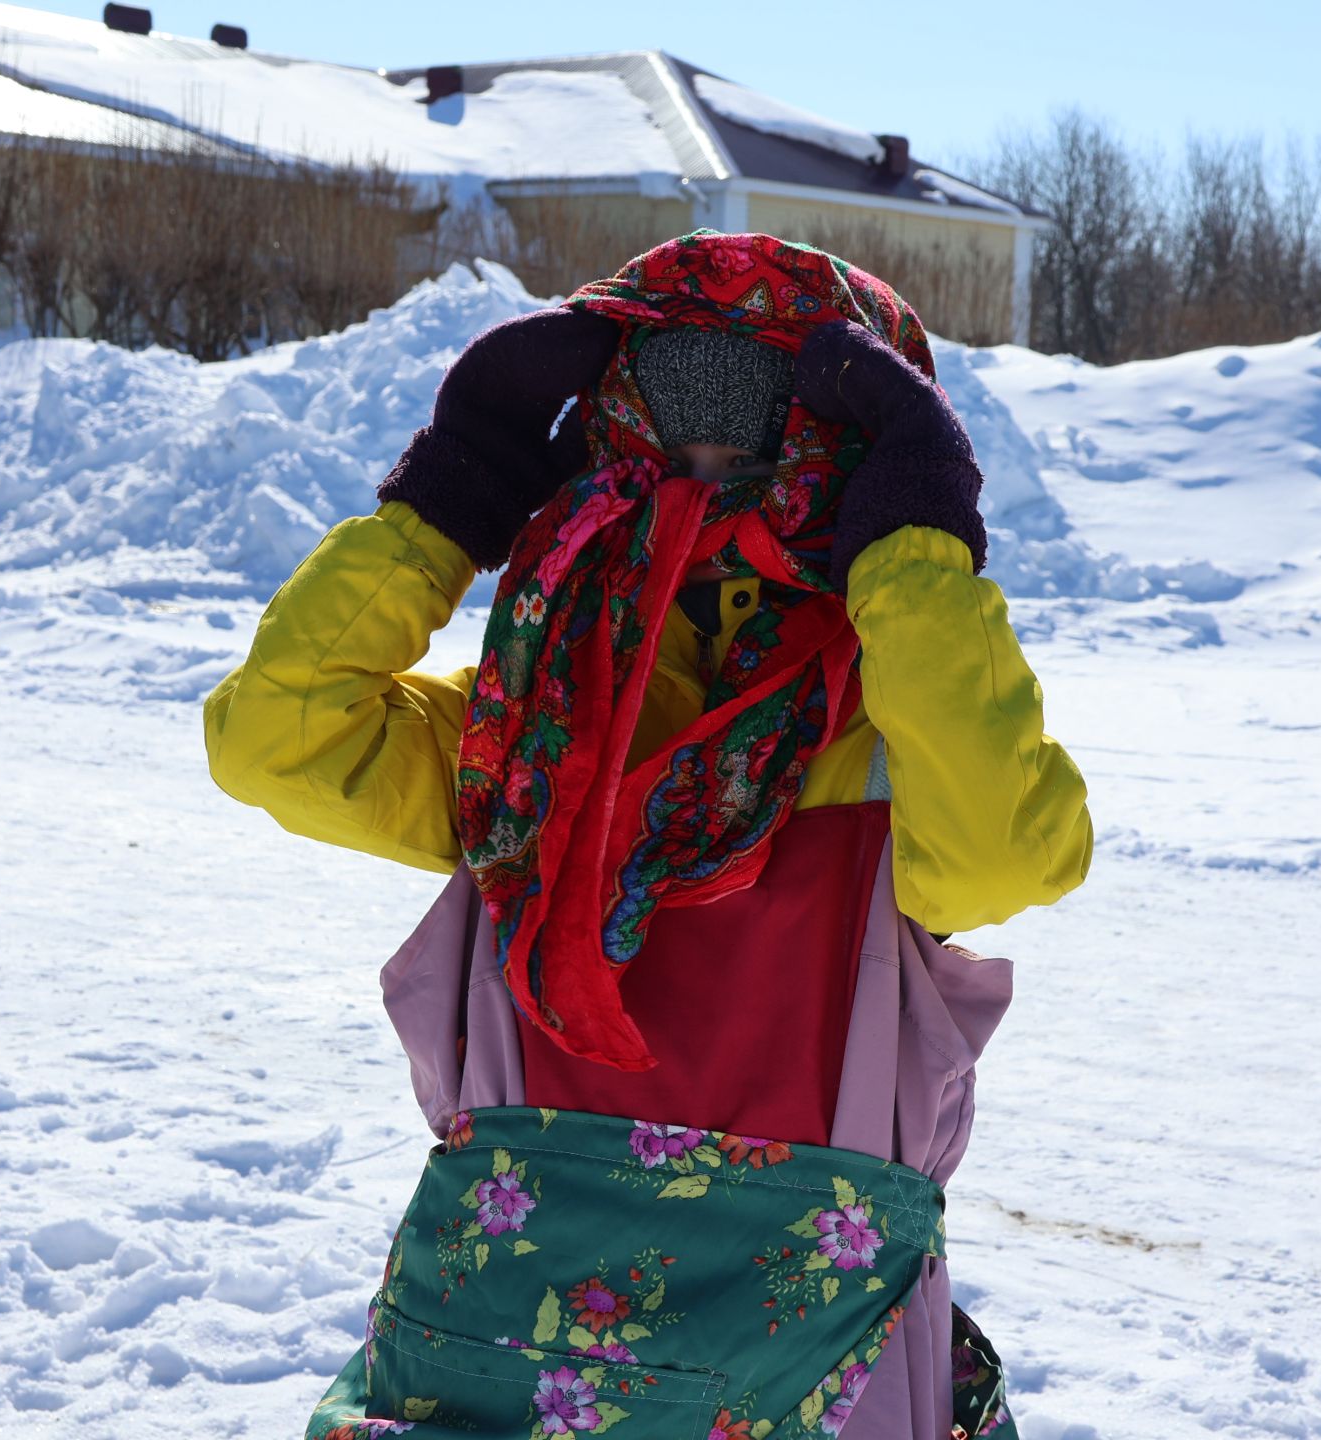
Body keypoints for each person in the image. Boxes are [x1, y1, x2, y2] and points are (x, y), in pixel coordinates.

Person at [204, 231, 1092, 1440]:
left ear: (851, 472)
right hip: (520, 1340)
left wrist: (916, 564)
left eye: (761, 442)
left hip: (804, 1360)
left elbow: (1009, 852)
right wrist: (447, 498)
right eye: (670, 435)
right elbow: (278, 733)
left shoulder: (893, 722)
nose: (709, 480)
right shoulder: (529, 722)